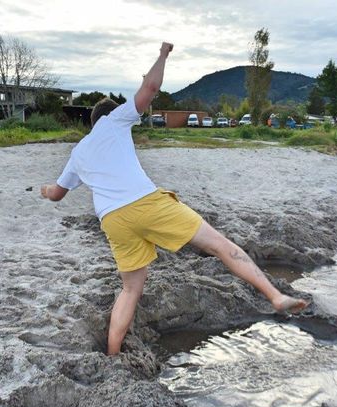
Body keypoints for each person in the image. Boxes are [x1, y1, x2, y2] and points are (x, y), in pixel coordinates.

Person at [41, 42, 309, 355]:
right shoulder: (116, 120)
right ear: (111, 115)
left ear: (91, 122)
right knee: (220, 245)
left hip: (113, 221)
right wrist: (163, 54)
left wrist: (46, 190)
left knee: (129, 289)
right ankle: (274, 296)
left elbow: (57, 194)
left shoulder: (79, 151)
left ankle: (112, 356)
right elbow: (151, 87)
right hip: (146, 203)